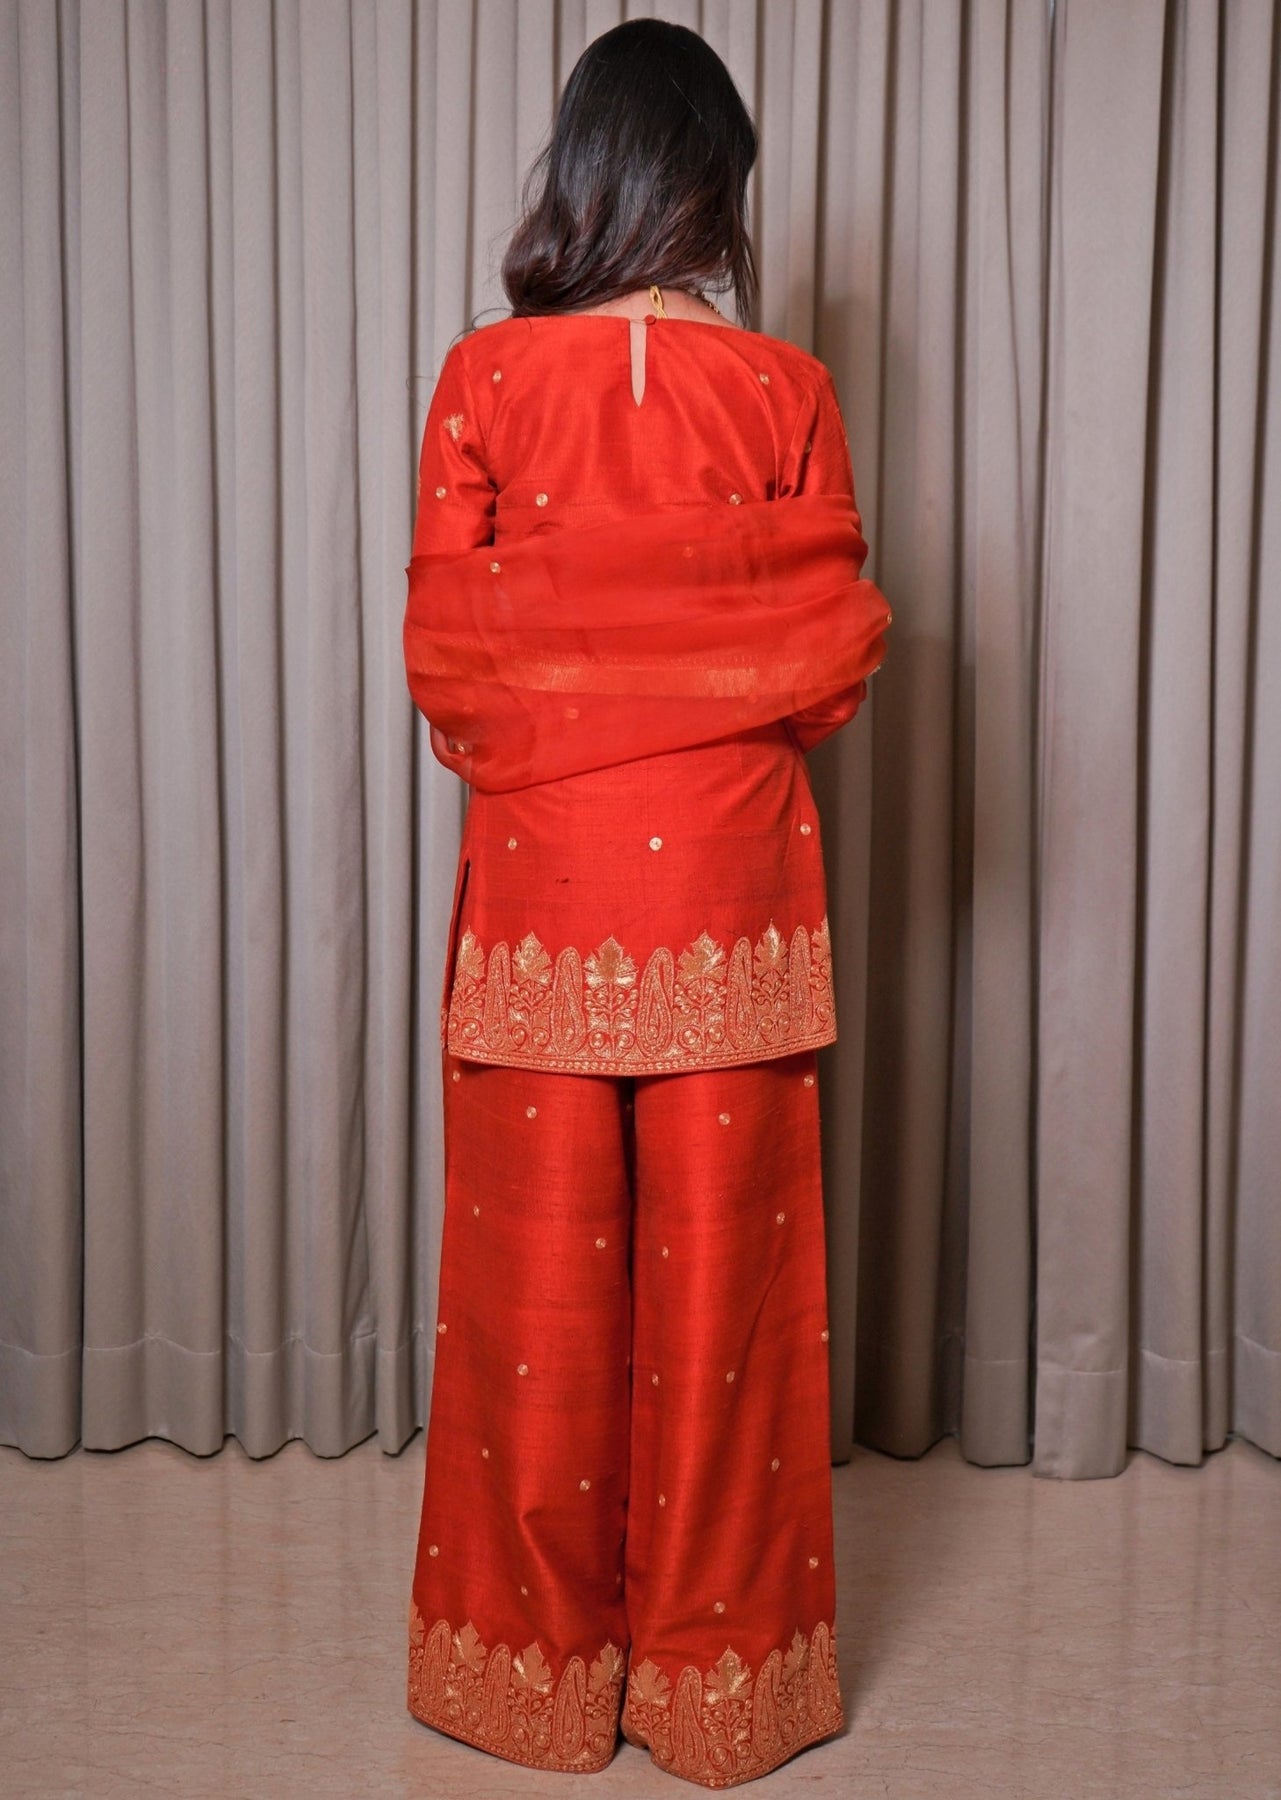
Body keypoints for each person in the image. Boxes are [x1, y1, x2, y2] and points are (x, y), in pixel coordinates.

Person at [401, 17, 891, 1790]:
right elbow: (825, 673)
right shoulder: (787, 392)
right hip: (733, 899)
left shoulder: (480, 378)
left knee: (532, 1303)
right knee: (727, 1317)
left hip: (545, 893)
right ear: (715, 189)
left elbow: (452, 674)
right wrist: (699, 663)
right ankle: (715, 1695)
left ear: (584, 174)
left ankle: (527, 1688)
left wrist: (580, 673)